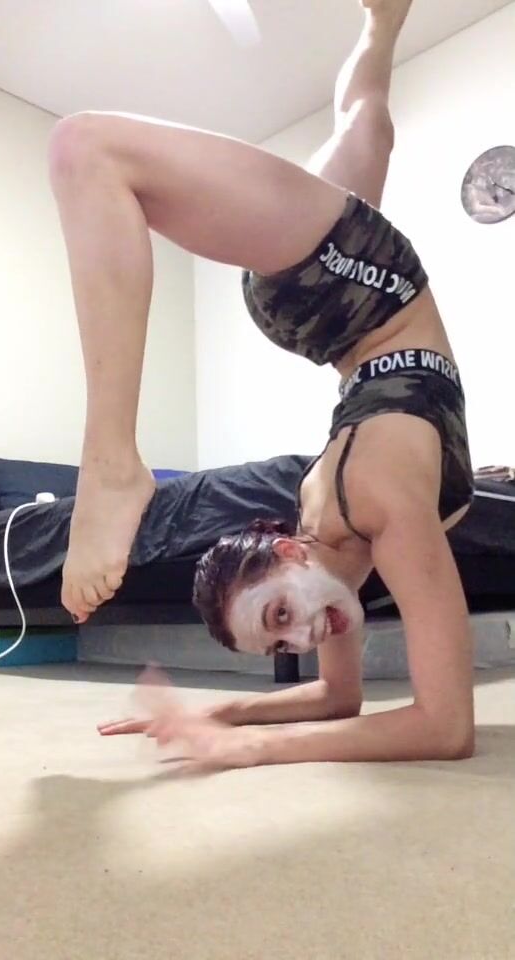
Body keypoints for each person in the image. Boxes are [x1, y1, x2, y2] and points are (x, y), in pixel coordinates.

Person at [52, 0, 476, 766]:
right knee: (366, 125)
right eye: (279, 644)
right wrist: (217, 712)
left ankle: (111, 462)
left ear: (289, 551)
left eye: (280, 617)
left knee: (86, 148)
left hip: (356, 289)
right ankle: (381, 21)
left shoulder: (375, 501)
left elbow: (445, 728)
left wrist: (244, 752)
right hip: (336, 318)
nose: (303, 638)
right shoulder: (335, 555)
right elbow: (337, 700)